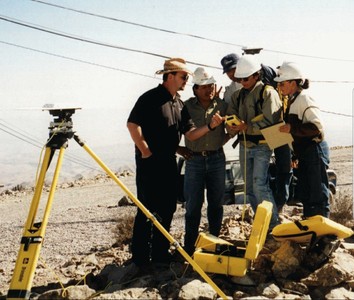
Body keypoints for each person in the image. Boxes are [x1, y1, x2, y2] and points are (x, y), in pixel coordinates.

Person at [126, 58, 224, 273]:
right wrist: (145, 151)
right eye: (183, 76)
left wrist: (210, 126)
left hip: (169, 163)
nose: (186, 80)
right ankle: (140, 258)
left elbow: (190, 133)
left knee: (167, 206)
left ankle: (160, 253)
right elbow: (133, 124)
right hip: (150, 163)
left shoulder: (178, 103)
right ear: (170, 76)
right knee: (147, 208)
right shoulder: (150, 98)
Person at [226, 55, 282, 229]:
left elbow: (270, 121)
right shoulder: (237, 96)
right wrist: (232, 127)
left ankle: (272, 225)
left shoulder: (268, 93)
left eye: (245, 78)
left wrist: (246, 126)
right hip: (244, 145)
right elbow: (230, 118)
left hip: (262, 146)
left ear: (256, 75)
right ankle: (261, 223)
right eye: (240, 79)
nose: (242, 82)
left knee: (260, 185)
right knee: (249, 188)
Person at [180, 67, 229, 255]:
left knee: (216, 205)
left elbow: (228, 131)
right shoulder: (186, 107)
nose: (208, 89)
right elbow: (185, 135)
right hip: (195, 162)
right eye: (203, 86)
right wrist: (179, 149)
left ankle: (214, 244)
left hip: (217, 159)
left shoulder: (222, 106)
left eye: (211, 85)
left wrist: (219, 141)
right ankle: (190, 248)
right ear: (195, 89)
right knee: (193, 206)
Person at [276, 62, 330, 218]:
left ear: (293, 83)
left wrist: (291, 128)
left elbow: (316, 127)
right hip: (305, 153)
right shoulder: (293, 101)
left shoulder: (304, 99)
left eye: (282, 83)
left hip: (314, 150)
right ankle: (312, 233)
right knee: (307, 195)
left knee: (318, 194)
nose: (280, 86)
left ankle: (324, 237)